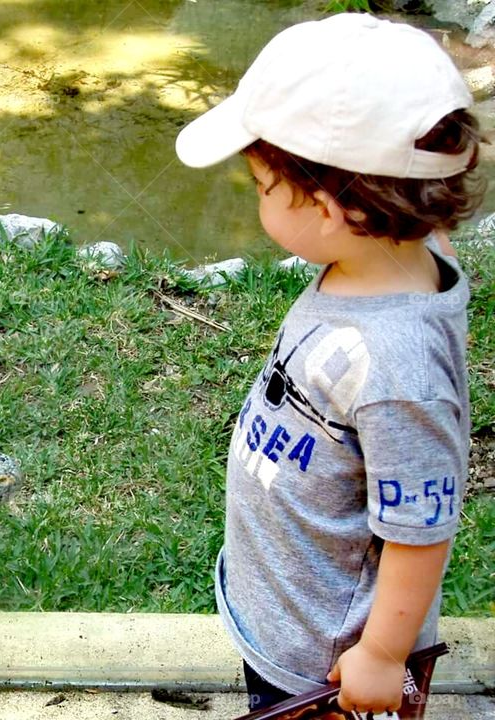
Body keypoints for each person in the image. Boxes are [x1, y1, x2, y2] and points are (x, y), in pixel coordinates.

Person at [174, 13, 485, 717]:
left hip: (327, 662)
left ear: (327, 208)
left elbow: (420, 528)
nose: (256, 197)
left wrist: (379, 656)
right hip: (292, 602)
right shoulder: (401, 250)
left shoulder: (398, 372)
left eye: (260, 185)